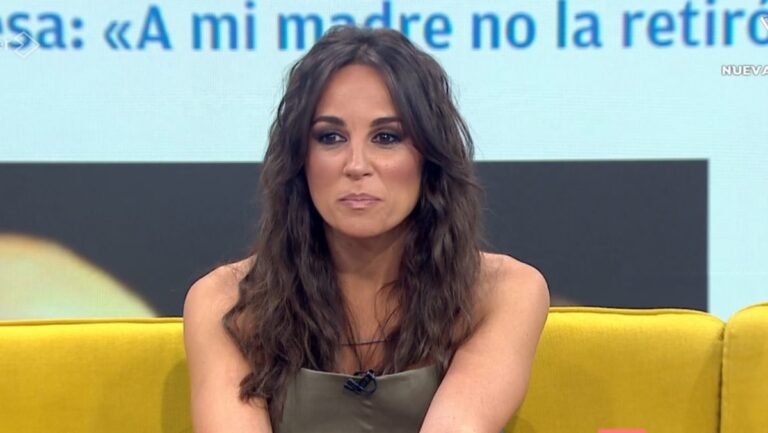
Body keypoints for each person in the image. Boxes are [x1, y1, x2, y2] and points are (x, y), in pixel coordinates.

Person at [183, 25, 549, 433]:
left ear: (429, 158)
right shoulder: (225, 304)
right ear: (300, 159)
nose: (356, 165)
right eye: (331, 137)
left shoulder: (503, 292)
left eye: (386, 137)